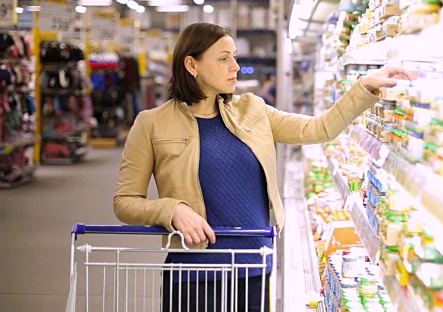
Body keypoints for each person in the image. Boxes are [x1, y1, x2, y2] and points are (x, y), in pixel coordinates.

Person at [112, 22, 414, 311]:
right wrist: (171, 210)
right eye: (223, 58)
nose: (235, 67)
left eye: (235, 57)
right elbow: (125, 202)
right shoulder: (151, 124)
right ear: (192, 65)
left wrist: (364, 87)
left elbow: (318, 129)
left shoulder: (252, 110)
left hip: (254, 267)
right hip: (194, 274)